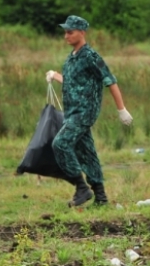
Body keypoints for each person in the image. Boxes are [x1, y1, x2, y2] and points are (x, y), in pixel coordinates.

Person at [45, 15, 132, 207]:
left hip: (85, 111)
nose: (66, 36)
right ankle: (101, 197)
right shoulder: (71, 59)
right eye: (65, 32)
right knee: (87, 152)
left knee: (60, 143)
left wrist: (122, 110)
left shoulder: (91, 57)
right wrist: (54, 75)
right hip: (72, 111)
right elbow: (72, 82)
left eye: (70, 32)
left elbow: (110, 80)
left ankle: (81, 187)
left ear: (82, 33)